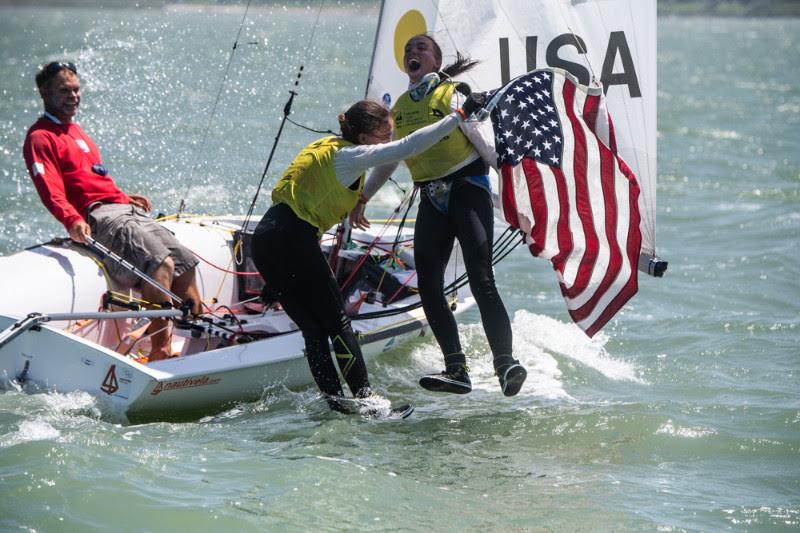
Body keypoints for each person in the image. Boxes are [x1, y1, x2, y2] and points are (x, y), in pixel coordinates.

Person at [251, 97, 484, 415]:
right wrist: (459, 115)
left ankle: (336, 403)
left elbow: (305, 202)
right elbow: (409, 147)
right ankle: (366, 398)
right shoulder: (351, 156)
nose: (388, 142)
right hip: (293, 240)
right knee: (339, 323)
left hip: (266, 241)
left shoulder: (324, 146)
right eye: (384, 136)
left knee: (314, 330)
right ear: (363, 139)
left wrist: (276, 279)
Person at [349, 34, 527, 397]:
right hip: (431, 196)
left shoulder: (452, 93)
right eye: (408, 49)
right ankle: (456, 369)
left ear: (435, 60)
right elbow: (391, 157)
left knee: (481, 278)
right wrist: (363, 197)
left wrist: (516, 198)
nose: (413, 53)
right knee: (429, 285)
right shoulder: (398, 107)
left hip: (466, 190)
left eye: (421, 49)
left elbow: (485, 146)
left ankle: (505, 363)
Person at [22, 60, 202, 361]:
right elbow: (49, 188)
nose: (73, 96)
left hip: (120, 208)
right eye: (64, 91)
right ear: (44, 92)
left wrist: (122, 195)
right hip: (100, 217)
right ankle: (160, 351)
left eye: (76, 90)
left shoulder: (76, 131)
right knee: (161, 264)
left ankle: (199, 339)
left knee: (185, 261)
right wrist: (72, 220)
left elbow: (92, 177)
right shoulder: (40, 137)